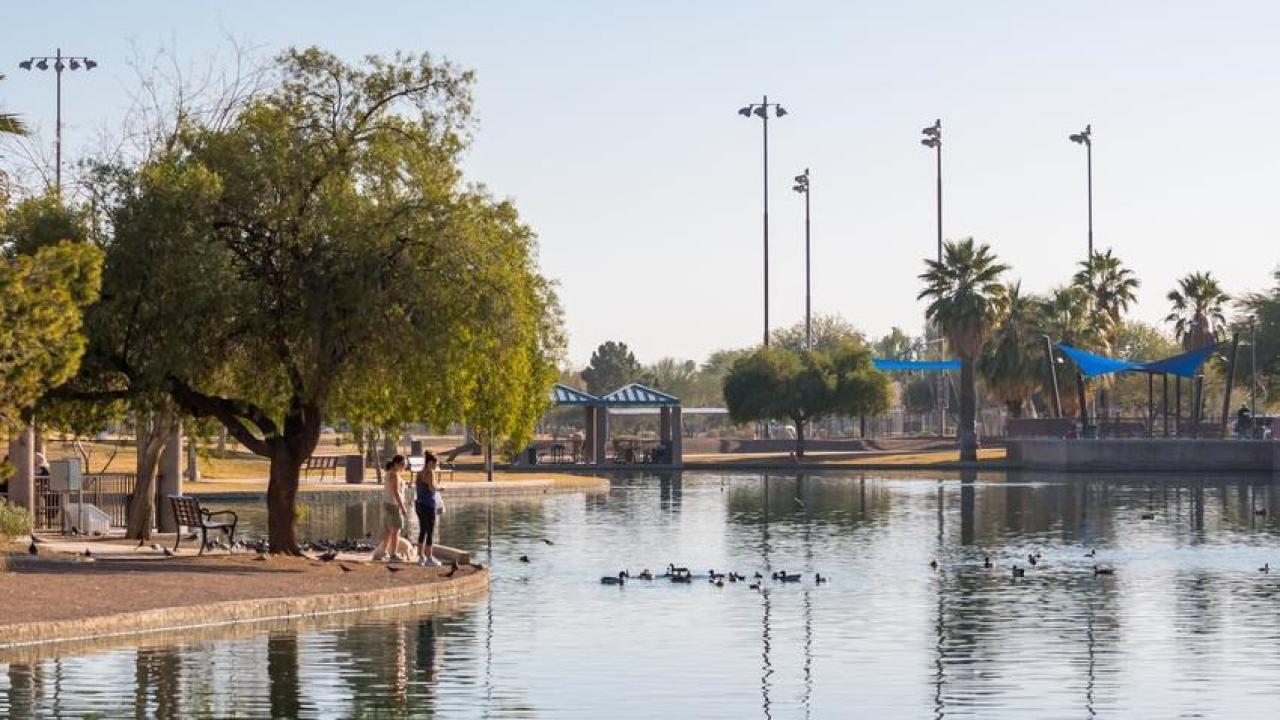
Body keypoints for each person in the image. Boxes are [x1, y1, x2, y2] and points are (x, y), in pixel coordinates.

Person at [374, 454, 408, 562]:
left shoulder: (389, 473)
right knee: (396, 531)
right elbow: (396, 492)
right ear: (397, 464)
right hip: (394, 506)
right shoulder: (394, 475)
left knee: (388, 531)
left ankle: (384, 553)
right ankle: (393, 554)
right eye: (403, 465)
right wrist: (402, 507)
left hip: (387, 504)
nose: (404, 467)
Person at [415, 452, 446, 566]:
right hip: (428, 505)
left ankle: (420, 557)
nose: (436, 466)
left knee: (422, 530)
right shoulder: (430, 472)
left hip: (419, 504)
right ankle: (429, 558)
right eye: (435, 464)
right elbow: (432, 487)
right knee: (430, 532)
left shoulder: (419, 473)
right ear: (430, 462)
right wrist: (441, 487)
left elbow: (419, 487)